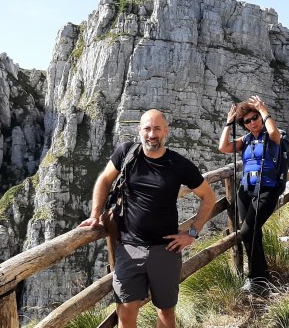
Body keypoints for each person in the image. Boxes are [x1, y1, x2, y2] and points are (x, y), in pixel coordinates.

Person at [79, 109, 217, 328]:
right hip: (129, 247)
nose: (152, 134)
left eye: (157, 129)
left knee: (165, 311)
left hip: (166, 249)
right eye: (147, 128)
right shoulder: (126, 153)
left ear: (166, 131)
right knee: (126, 309)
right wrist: (95, 215)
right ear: (139, 131)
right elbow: (104, 179)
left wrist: (192, 233)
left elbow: (209, 197)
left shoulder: (178, 164)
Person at [218, 95, 284, 295]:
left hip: (267, 189)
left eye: (255, 118)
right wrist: (229, 123)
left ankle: (254, 278)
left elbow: (274, 131)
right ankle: (263, 279)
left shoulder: (271, 135)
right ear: (244, 125)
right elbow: (223, 147)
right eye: (247, 121)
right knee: (253, 233)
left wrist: (264, 110)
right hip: (245, 191)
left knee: (247, 232)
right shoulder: (246, 140)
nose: (252, 122)